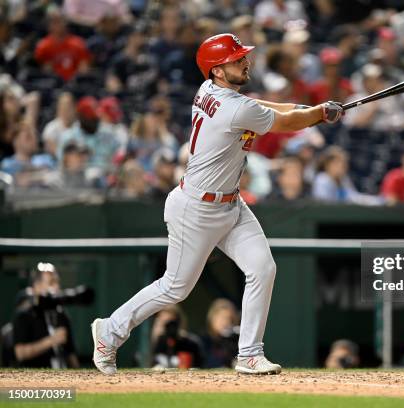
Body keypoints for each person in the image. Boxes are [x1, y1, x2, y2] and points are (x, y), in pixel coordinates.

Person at [91, 33, 344, 376]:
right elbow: (282, 122)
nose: (245, 62)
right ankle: (110, 330)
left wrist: (312, 111)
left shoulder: (214, 92)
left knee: (262, 268)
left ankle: (250, 354)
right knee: (174, 287)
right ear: (218, 71)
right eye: (236, 59)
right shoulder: (233, 107)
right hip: (196, 208)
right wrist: (316, 115)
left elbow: (268, 108)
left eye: (242, 56)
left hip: (230, 205)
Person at [12, 263, 79, 368]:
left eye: (57, 282)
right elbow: (20, 353)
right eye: (51, 282)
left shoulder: (61, 313)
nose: (56, 287)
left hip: (61, 377)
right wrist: (51, 340)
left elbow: (71, 354)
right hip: (33, 379)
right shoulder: (25, 314)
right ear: (36, 286)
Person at [34, 8, 91, 82]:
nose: (57, 25)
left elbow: (84, 68)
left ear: (65, 22)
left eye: (59, 21)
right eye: (54, 22)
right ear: (48, 25)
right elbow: (45, 70)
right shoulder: (43, 45)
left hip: (75, 83)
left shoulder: (78, 43)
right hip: (53, 83)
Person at [312, 146, 383, 205]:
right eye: (337, 163)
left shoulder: (344, 179)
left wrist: (380, 201)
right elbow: (324, 204)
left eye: (344, 164)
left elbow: (355, 198)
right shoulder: (322, 179)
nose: (342, 167)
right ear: (327, 165)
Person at [151, 305, 203, 369]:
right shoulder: (156, 344)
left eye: (171, 324)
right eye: (164, 324)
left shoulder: (190, 343)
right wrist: (155, 337)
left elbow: (199, 367)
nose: (169, 329)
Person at [201, 299, 240, 368]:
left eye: (229, 319)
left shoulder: (235, 341)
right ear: (212, 318)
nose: (225, 322)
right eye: (222, 318)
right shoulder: (203, 341)